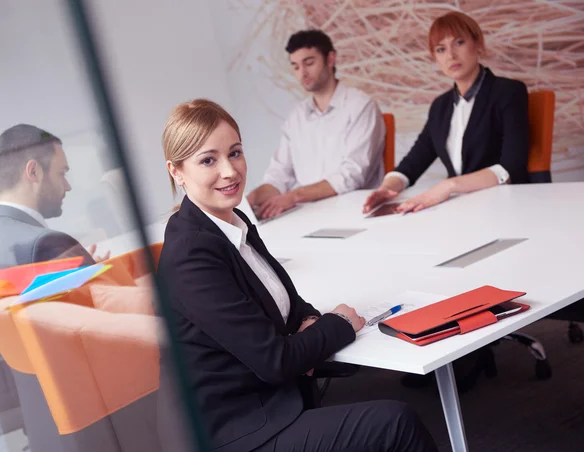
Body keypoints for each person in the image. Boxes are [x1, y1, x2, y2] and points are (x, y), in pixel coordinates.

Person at [158, 99, 438, 452]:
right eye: (208, 160)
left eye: (236, 153)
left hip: (262, 403)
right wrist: (336, 323)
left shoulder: (232, 223)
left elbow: (285, 301)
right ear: (177, 171)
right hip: (235, 431)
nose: (230, 171)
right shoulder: (191, 253)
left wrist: (308, 319)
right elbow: (276, 361)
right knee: (396, 424)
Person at [363, 11, 529, 215]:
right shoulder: (440, 106)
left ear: (478, 45)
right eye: (441, 49)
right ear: (436, 59)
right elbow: (415, 161)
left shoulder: (508, 92)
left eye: (459, 43)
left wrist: (449, 186)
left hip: (506, 207)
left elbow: (511, 168)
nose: (451, 55)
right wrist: (387, 187)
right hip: (463, 210)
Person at [247, 29, 386, 220]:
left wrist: (294, 196)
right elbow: (279, 175)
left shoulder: (360, 106)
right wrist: (250, 199)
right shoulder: (296, 116)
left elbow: (353, 174)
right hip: (305, 213)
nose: (302, 73)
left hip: (352, 212)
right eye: (295, 67)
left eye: (309, 63)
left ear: (330, 59)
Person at [0, 124, 105, 270]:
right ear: (34, 172)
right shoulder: (48, 244)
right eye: (62, 173)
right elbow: (107, 292)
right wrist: (100, 275)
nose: (68, 186)